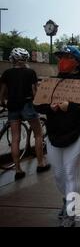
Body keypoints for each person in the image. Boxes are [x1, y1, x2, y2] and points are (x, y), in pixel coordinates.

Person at [35, 46, 80, 227]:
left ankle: (72, 213)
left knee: (70, 172)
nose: (63, 60)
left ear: (76, 61)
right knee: (58, 174)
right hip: (54, 133)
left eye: (67, 57)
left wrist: (70, 106)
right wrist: (51, 107)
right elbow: (38, 106)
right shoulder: (52, 83)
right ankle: (67, 200)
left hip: (76, 131)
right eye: (61, 57)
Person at [0, 48, 50, 180]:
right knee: (38, 134)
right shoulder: (30, 72)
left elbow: (2, 94)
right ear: (25, 59)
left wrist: (4, 103)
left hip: (13, 106)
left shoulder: (6, 73)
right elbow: (35, 92)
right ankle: (40, 163)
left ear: (12, 59)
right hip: (28, 105)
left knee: (15, 138)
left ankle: (18, 169)